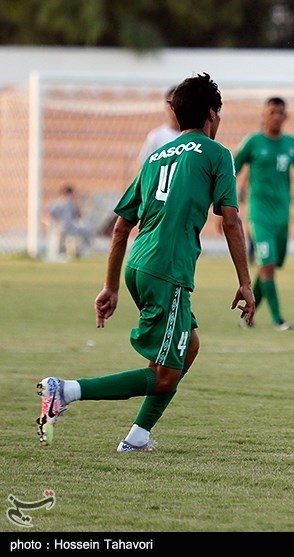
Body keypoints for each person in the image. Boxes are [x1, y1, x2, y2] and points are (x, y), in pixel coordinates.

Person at [35, 73, 255, 451]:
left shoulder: (155, 157)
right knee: (166, 375)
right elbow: (230, 219)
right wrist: (245, 282)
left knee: (189, 348)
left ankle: (137, 438)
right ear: (212, 115)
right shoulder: (217, 154)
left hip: (139, 264)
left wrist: (111, 286)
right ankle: (65, 391)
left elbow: (121, 226)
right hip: (166, 269)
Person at [233, 96, 294, 331]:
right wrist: (224, 204)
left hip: (282, 217)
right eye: (272, 112)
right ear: (263, 114)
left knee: (268, 267)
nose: (276, 116)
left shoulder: (291, 144)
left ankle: (247, 317)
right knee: (268, 263)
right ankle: (278, 319)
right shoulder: (252, 142)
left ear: (286, 116)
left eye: (280, 112)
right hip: (259, 216)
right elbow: (232, 169)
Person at [44, 183, 90, 261]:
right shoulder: (58, 203)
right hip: (60, 227)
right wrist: (53, 223)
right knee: (60, 237)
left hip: (71, 227)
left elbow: (79, 215)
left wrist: (77, 204)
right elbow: (48, 215)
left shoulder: (72, 204)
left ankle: (76, 254)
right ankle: (58, 255)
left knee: (82, 233)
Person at [137, 85, 181, 164]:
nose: (174, 108)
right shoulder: (156, 136)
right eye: (170, 104)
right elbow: (144, 167)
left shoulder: (195, 136)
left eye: (177, 103)